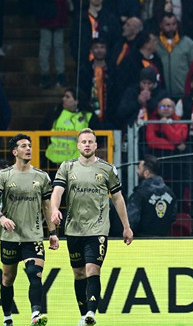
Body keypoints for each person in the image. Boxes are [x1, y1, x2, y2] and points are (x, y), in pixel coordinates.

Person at [50, 128, 133, 326]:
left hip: (98, 229)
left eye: (90, 142)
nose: (87, 145)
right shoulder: (67, 167)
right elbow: (57, 191)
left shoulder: (107, 169)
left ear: (96, 145)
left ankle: (91, 312)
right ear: (78, 145)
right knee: (78, 273)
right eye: (83, 142)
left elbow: (118, 198)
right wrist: (54, 209)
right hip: (74, 228)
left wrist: (126, 226)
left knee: (92, 269)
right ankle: (84, 316)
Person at [0, 134, 57, 326]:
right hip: (10, 237)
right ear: (14, 152)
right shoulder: (4, 176)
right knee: (7, 278)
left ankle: (36, 315)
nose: (28, 149)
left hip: (33, 236)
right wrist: (2, 218)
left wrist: (53, 233)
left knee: (35, 274)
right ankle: (7, 318)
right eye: (23, 146)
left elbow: (47, 206)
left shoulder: (42, 176)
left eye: (29, 145)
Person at [127, 155, 176, 237]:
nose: (137, 171)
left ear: (146, 173)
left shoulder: (139, 195)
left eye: (139, 168)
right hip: (163, 240)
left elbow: (132, 220)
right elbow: (172, 217)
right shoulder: (170, 194)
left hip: (141, 240)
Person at [44, 89, 93, 164]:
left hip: (76, 162)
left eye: (67, 97)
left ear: (76, 101)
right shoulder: (56, 113)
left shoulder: (88, 116)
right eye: (64, 96)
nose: (63, 99)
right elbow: (44, 131)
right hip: (52, 160)